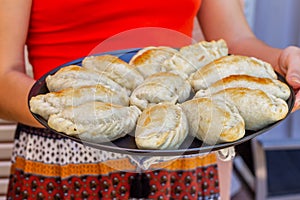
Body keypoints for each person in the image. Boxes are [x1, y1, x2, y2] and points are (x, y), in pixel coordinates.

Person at [1, 0, 300, 199]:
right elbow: (3, 76)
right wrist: (76, 116)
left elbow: (235, 41)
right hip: (61, 159)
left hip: (183, 155)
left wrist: (281, 61)